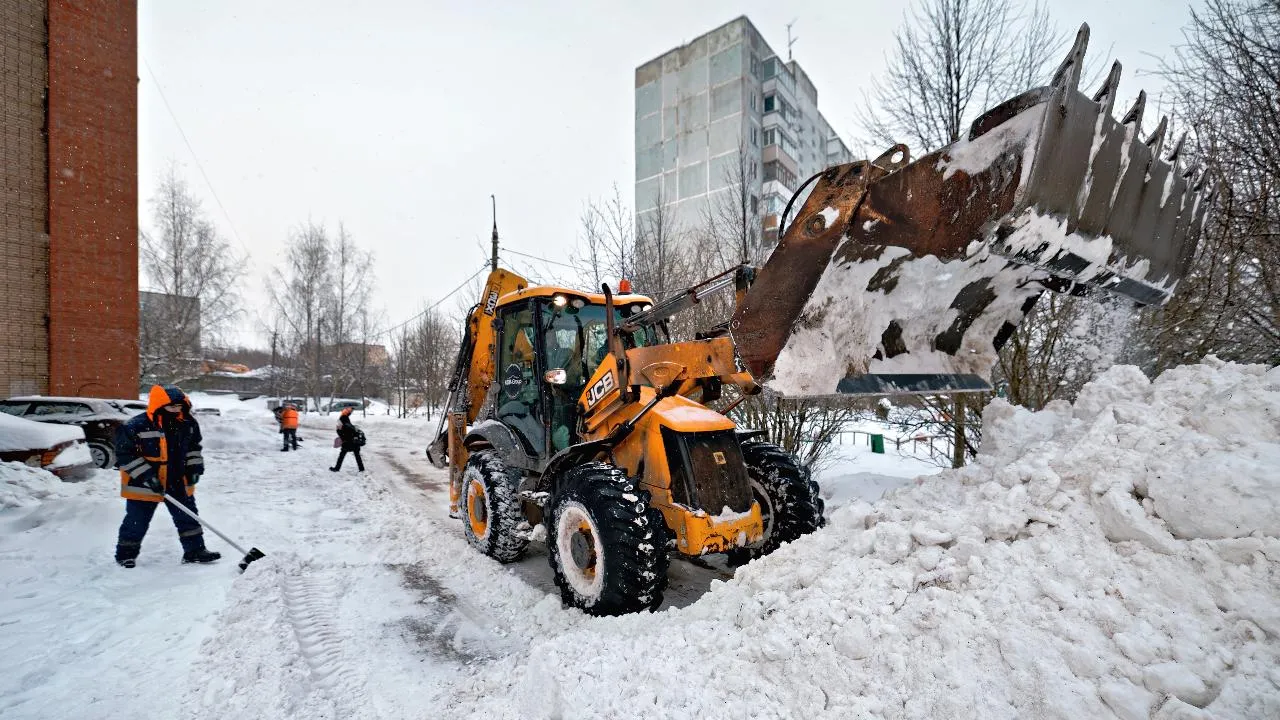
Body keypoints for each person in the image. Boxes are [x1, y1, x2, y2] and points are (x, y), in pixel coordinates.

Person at [114, 385, 221, 568]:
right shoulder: (136, 425)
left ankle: (194, 551)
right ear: (159, 405)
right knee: (136, 521)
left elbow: (194, 448)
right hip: (144, 483)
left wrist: (194, 468)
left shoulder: (187, 423)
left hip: (178, 479)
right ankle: (125, 555)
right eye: (172, 407)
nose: (177, 410)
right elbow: (125, 455)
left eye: (180, 406)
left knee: (188, 517)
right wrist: (147, 476)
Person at [330, 407, 365, 472]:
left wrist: (343, 438)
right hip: (352, 440)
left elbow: (338, 430)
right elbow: (341, 430)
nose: (350, 413)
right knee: (356, 454)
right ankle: (361, 468)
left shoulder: (342, 419)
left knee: (342, 455)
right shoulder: (344, 418)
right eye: (350, 412)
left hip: (347, 440)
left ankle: (337, 468)